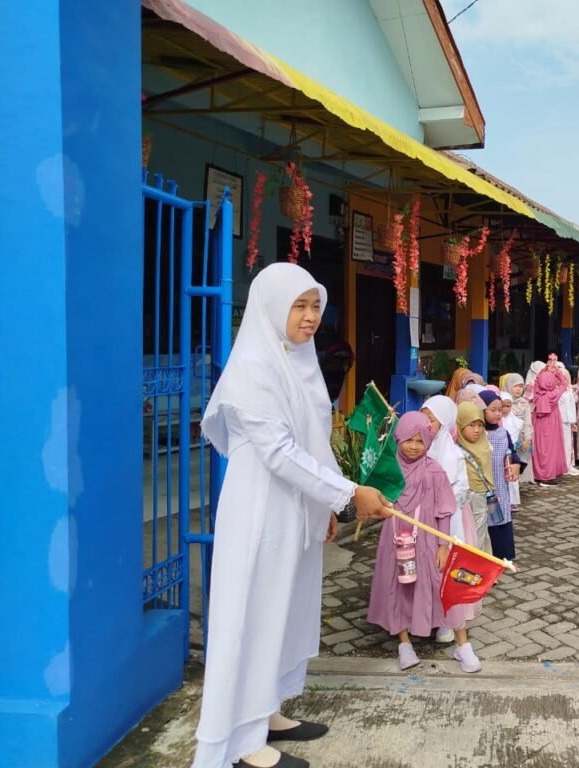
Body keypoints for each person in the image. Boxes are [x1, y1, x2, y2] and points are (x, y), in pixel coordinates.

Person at [192, 263, 394, 768]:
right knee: (255, 614)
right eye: (299, 306)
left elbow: (312, 440)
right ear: (270, 307)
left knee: (284, 612)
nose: (310, 317)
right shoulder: (253, 370)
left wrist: (323, 501)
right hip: (260, 509)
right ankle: (239, 742)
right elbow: (280, 453)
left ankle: (267, 710)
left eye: (315, 306)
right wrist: (350, 493)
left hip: (293, 505)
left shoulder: (299, 361)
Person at [367, 412, 481, 674]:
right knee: (399, 587)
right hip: (396, 539)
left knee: (443, 587)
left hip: (429, 540)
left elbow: (443, 510)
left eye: (420, 440)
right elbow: (375, 502)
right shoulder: (388, 470)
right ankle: (404, 643)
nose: (414, 446)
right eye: (409, 439)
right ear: (398, 438)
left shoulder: (434, 471)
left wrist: (443, 545)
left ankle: (462, 645)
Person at [420, 395, 481, 646]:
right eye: (422, 418)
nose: (425, 425)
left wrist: (437, 502)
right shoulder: (417, 447)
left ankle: (448, 620)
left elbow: (461, 490)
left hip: (450, 519)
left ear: (443, 422)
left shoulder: (453, 454)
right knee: (425, 567)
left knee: (447, 567)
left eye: (430, 420)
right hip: (421, 519)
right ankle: (425, 615)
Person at [477, 391, 519, 560]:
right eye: (492, 410)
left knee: (500, 515)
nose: (497, 414)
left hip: (500, 484)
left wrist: (515, 464)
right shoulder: (475, 433)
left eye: (500, 410)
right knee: (483, 518)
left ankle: (502, 554)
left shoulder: (503, 433)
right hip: (481, 484)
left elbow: (511, 452)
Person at [456, 402, 493, 554]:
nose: (477, 430)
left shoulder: (485, 442)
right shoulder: (454, 449)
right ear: (460, 424)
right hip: (463, 496)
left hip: (481, 492)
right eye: (471, 425)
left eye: (480, 425)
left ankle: (480, 566)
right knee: (468, 532)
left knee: (480, 530)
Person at [530, 355, 569, 485]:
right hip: (551, 421)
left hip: (538, 422)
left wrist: (544, 370)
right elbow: (564, 383)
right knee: (550, 449)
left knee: (539, 448)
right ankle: (547, 476)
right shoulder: (554, 393)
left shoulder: (537, 393)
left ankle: (537, 474)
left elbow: (536, 381)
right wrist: (556, 371)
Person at [502, 373, 535, 485]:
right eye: (515, 386)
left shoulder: (524, 403)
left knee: (520, 462)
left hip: (520, 439)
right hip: (506, 438)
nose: (518, 389)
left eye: (521, 387)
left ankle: (516, 485)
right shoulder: (503, 401)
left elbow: (527, 423)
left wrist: (527, 439)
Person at [557, 367, 579, 477]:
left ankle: (567, 465)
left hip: (567, 422)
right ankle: (560, 465)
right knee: (560, 444)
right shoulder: (557, 392)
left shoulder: (569, 392)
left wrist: (572, 422)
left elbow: (572, 408)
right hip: (558, 421)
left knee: (567, 444)